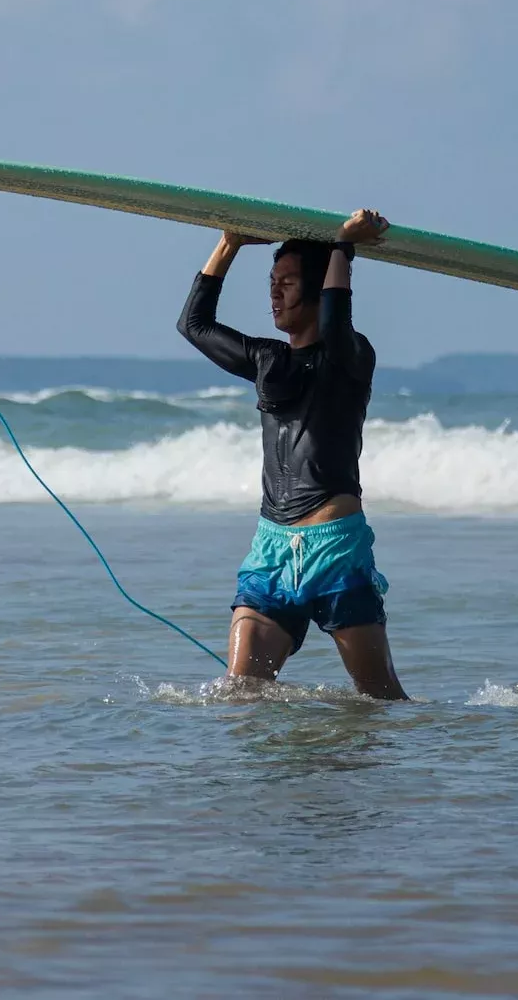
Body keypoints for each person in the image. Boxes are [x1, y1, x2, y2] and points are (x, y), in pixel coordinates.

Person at [176, 209, 408, 700]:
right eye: (272, 281)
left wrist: (344, 247)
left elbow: (335, 317)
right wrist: (230, 244)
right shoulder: (267, 359)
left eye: (288, 282)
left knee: (380, 699)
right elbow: (193, 325)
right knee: (240, 694)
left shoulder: (351, 357)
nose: (275, 293)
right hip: (270, 549)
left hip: (334, 549)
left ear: (318, 286)